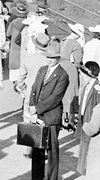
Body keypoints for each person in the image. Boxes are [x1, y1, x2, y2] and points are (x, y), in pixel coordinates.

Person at [28, 40, 69, 180]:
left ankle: (52, 177)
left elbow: (55, 98)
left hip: (51, 118)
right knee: (37, 150)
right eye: (48, 57)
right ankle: (37, 177)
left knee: (52, 151)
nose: (50, 60)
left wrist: (36, 109)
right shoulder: (42, 69)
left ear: (58, 58)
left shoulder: (63, 75)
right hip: (37, 115)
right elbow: (34, 90)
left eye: (53, 58)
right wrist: (31, 108)